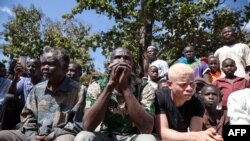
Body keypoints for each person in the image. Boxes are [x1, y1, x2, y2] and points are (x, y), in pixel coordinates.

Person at [0, 47, 84, 141]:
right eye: (43, 64)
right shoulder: (38, 88)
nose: (45, 67)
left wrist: (53, 135)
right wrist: (32, 136)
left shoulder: (79, 91)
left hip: (61, 135)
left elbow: (78, 123)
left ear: (64, 68)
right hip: (32, 134)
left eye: (50, 64)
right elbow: (27, 116)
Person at [74, 47, 157, 141]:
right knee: (83, 136)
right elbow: (88, 126)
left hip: (133, 137)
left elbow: (147, 128)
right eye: (117, 57)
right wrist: (110, 86)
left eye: (127, 58)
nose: (122, 61)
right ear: (110, 65)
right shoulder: (97, 85)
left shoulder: (144, 86)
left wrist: (125, 88)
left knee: (149, 139)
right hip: (105, 136)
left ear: (132, 65)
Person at [154, 63, 223, 141]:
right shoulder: (159, 97)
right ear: (170, 84)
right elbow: (163, 134)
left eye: (192, 84)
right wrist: (197, 136)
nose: (189, 88)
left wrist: (208, 137)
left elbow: (196, 134)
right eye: (183, 85)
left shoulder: (198, 101)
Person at [0, 58, 44, 130]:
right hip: (23, 111)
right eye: (28, 66)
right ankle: (3, 131)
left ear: (41, 69)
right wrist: (15, 78)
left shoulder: (46, 82)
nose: (30, 68)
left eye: (34, 66)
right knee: (9, 97)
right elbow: (11, 94)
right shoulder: (24, 80)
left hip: (39, 112)